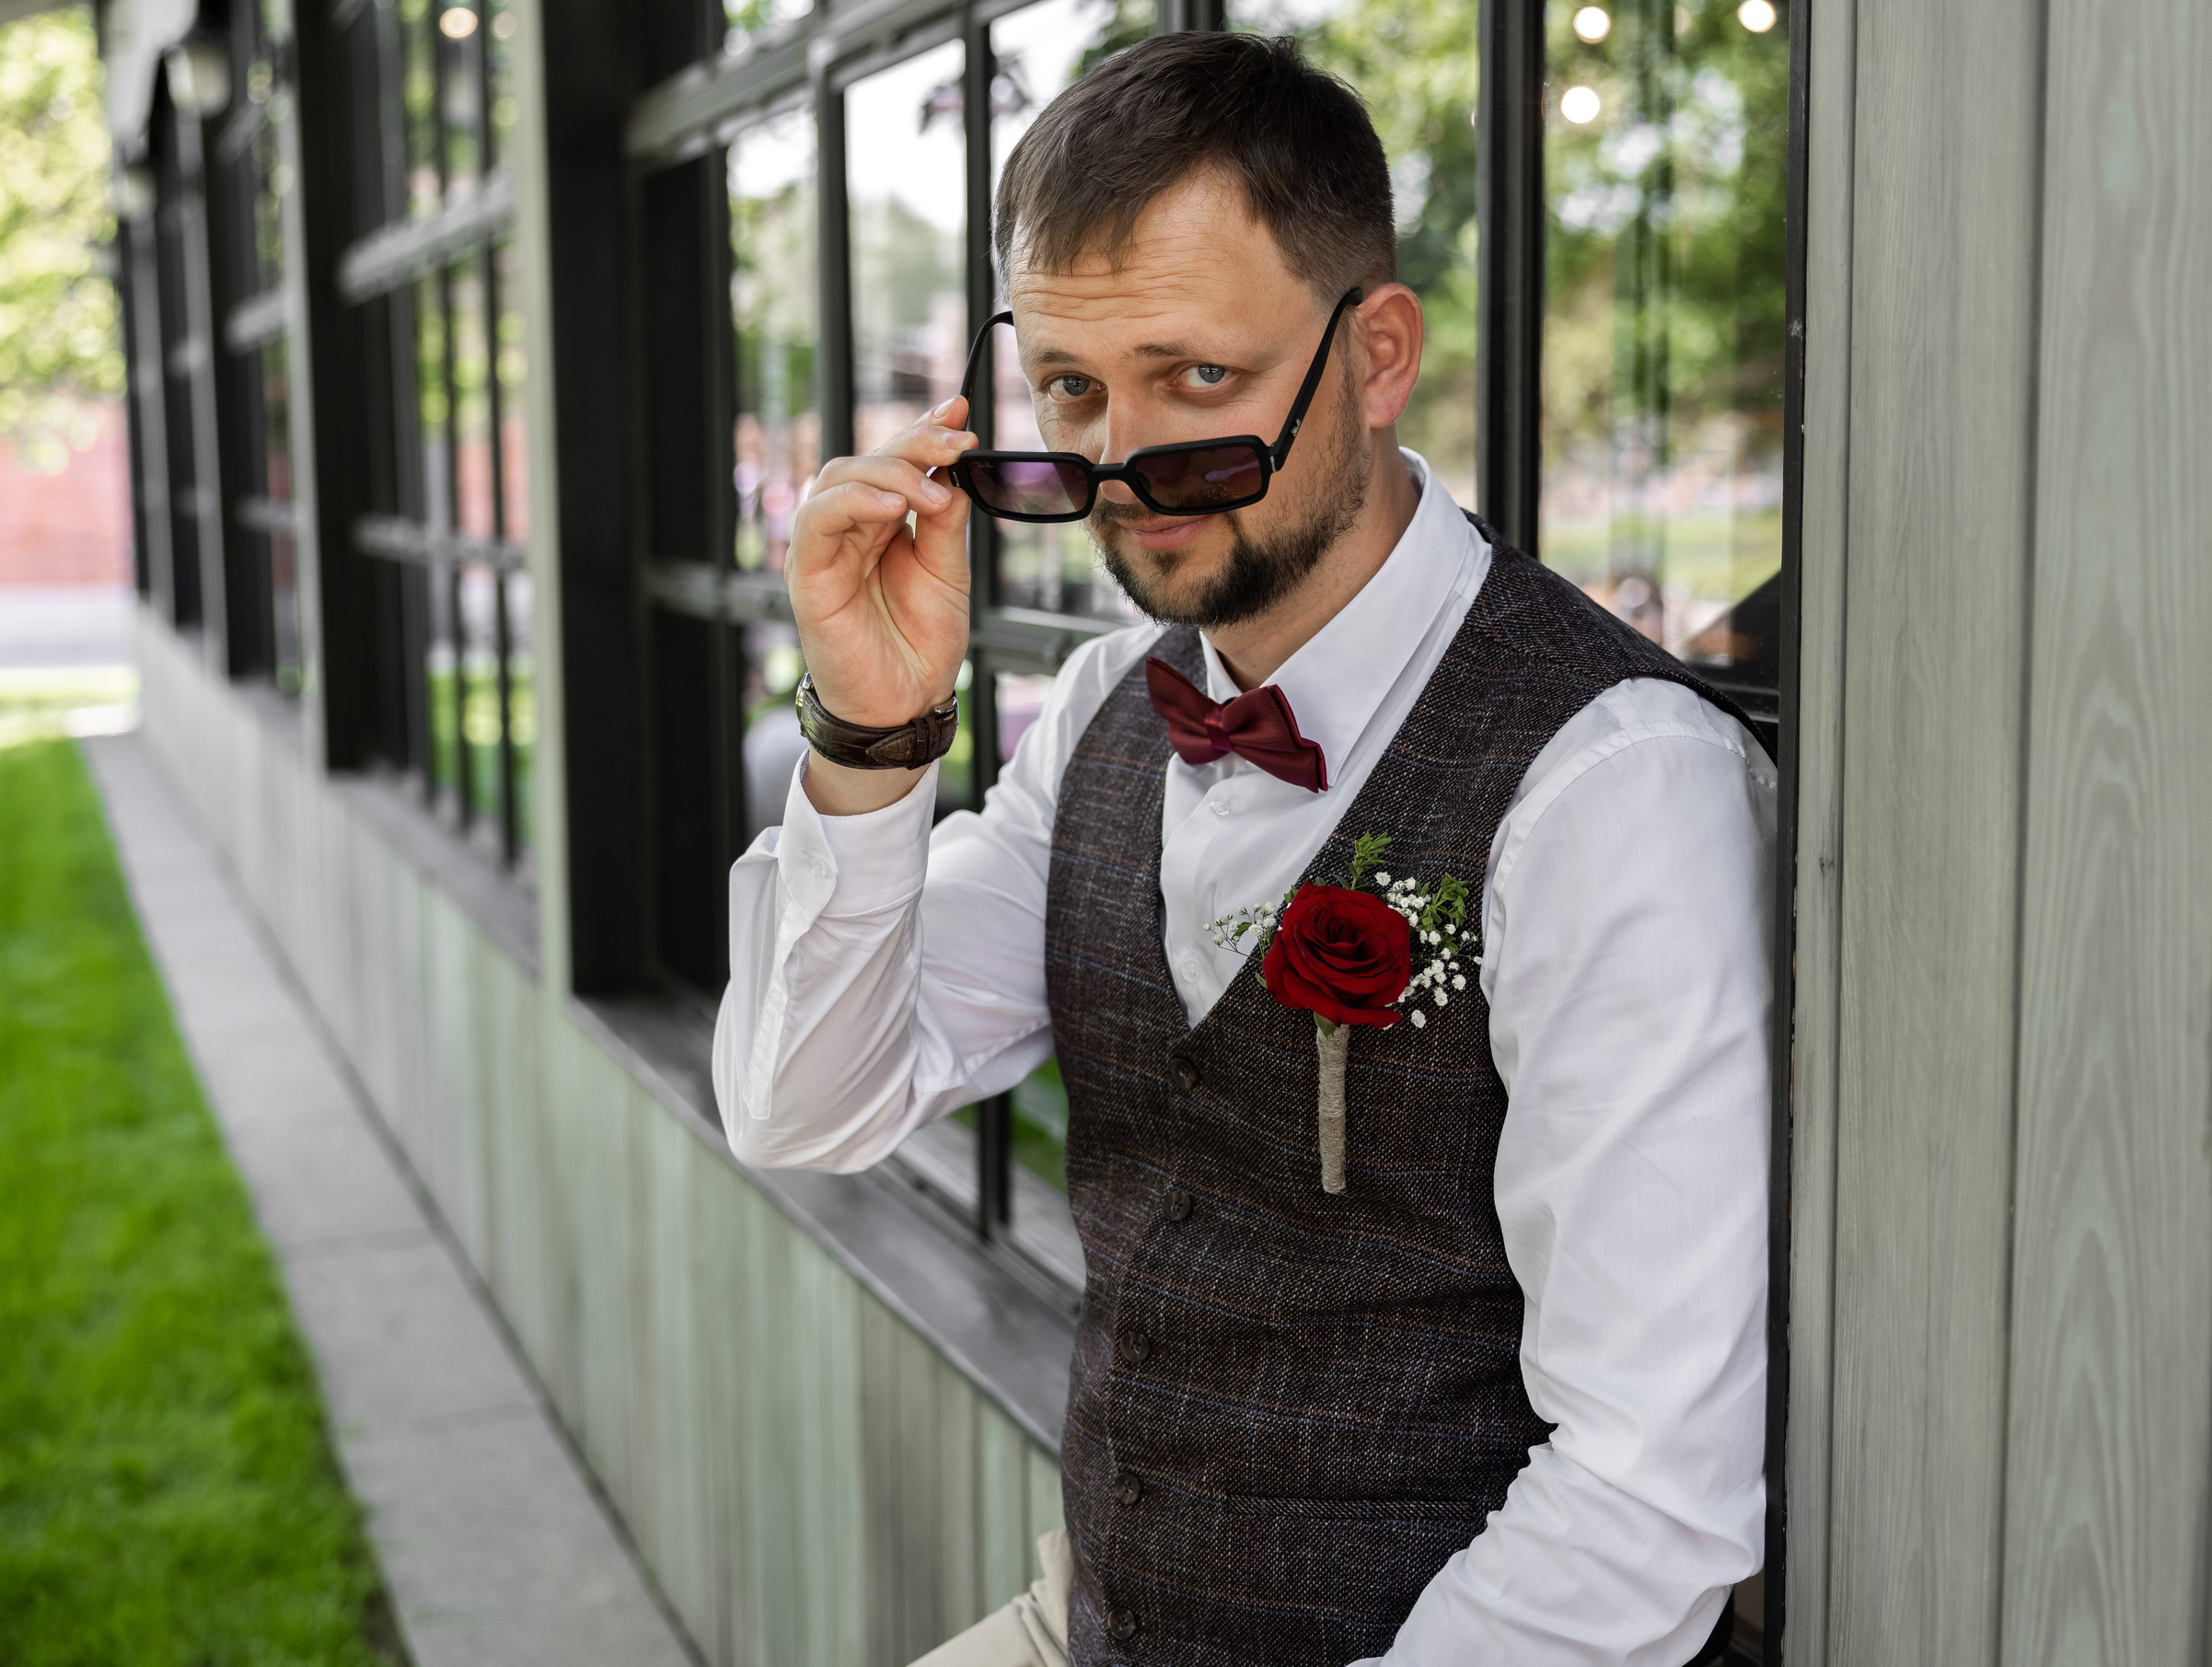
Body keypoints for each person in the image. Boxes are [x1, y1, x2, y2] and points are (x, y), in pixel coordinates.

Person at [712, 30, 1772, 1667]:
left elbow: (1650, 1494)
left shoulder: (1610, 787)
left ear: (1379, 354)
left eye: (1196, 380)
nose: (1121, 467)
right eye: (1073, 390)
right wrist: (870, 737)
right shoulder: (1103, 711)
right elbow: (806, 1105)